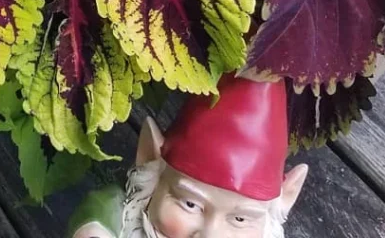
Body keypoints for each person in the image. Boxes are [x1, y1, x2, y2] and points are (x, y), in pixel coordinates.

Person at [72, 74, 308, 238]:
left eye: (240, 220)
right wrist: (95, 229)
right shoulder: (124, 218)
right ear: (149, 157)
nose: (208, 235)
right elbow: (105, 207)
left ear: (287, 197)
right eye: (190, 204)